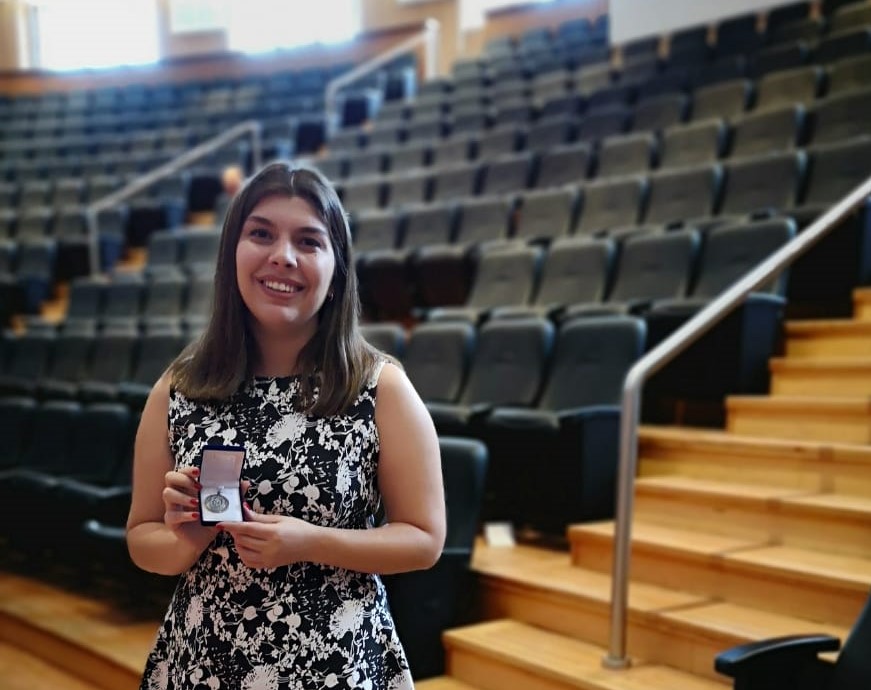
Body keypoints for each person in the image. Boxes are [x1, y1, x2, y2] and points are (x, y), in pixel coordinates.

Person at [127, 162, 445, 690]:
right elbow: (142, 538)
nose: (283, 256)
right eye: (261, 234)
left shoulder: (381, 387)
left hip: (335, 667)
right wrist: (187, 538)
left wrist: (311, 541)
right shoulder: (178, 388)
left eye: (309, 241)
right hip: (204, 663)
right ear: (232, 252)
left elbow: (425, 539)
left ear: (337, 269)